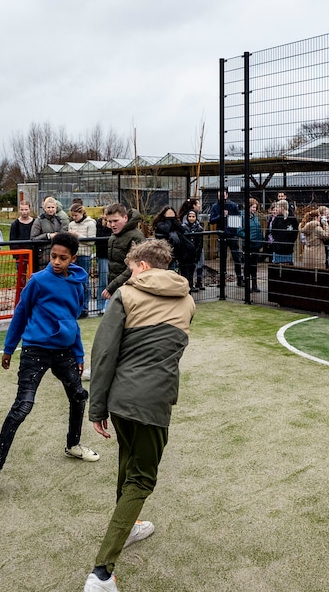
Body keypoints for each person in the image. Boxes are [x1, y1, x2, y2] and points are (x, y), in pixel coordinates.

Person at [84, 239, 195, 592]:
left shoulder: (126, 295)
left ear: (143, 266)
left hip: (121, 399)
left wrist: (97, 407)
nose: (128, 275)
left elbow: (104, 354)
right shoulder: (188, 300)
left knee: (131, 463)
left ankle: (127, 527)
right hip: (155, 400)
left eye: (130, 269)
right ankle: (102, 573)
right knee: (141, 478)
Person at [0, 232, 97, 507]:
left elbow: (72, 320)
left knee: (79, 395)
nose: (56, 261)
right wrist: (9, 348)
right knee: (22, 408)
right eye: (53, 256)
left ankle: (73, 444)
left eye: (63, 258)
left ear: (73, 259)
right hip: (35, 350)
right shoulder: (38, 281)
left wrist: (78, 353)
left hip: (65, 351)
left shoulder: (78, 283)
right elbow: (21, 312)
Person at [101, 203, 146, 301]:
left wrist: (112, 286)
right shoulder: (115, 235)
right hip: (117, 286)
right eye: (110, 221)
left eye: (116, 221)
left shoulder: (136, 237)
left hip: (130, 287)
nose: (112, 225)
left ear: (125, 218)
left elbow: (133, 267)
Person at [209, 191, 244, 284]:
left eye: (223, 195)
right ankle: (222, 280)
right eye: (219, 195)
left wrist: (229, 218)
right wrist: (221, 216)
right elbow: (211, 220)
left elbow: (239, 219)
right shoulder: (215, 207)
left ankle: (239, 278)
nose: (221, 197)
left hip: (232, 235)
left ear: (227, 195)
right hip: (221, 235)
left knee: (237, 257)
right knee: (222, 259)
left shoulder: (233, 205)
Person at [69, 204, 97, 313]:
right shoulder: (71, 224)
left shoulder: (90, 224)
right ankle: (75, 306)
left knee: (84, 282)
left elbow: (91, 241)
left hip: (84, 255)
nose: (74, 217)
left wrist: (77, 235)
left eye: (76, 215)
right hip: (73, 255)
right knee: (73, 281)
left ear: (81, 213)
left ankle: (84, 307)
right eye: (72, 215)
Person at [236, 199, 265, 292]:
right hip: (248, 245)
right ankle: (247, 285)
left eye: (255, 208)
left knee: (254, 266)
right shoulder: (242, 216)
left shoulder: (255, 217)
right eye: (253, 207)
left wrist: (261, 240)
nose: (254, 209)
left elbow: (258, 229)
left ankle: (255, 285)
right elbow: (239, 231)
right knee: (248, 265)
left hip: (256, 245)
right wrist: (248, 237)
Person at [32, 196, 66, 268]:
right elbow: (33, 238)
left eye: (53, 207)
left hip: (57, 253)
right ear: (44, 208)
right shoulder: (39, 220)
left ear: (56, 208)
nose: (51, 209)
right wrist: (47, 236)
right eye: (48, 207)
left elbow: (62, 233)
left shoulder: (59, 220)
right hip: (43, 254)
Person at [10, 201, 36, 292]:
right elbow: (12, 241)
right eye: (22, 209)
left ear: (30, 209)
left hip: (33, 253)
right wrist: (16, 255)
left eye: (26, 209)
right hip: (20, 255)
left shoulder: (35, 222)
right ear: (19, 210)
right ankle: (22, 294)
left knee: (35, 274)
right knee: (21, 276)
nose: (24, 212)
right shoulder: (15, 224)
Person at [152, 206, 183, 271]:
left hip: (175, 250)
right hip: (163, 249)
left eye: (172, 213)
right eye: (169, 213)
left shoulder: (176, 222)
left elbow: (182, 230)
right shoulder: (160, 223)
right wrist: (168, 219)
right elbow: (166, 229)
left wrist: (174, 220)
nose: (171, 215)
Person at [268, 199, 299, 265]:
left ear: (282, 207)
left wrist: (290, 243)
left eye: (278, 207)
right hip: (277, 249)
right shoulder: (277, 219)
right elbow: (273, 231)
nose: (277, 209)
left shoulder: (292, 219)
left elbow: (295, 233)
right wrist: (276, 242)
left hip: (288, 249)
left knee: (287, 266)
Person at [179, 210, 204, 291]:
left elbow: (200, 243)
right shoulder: (183, 227)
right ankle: (186, 286)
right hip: (185, 252)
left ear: (196, 217)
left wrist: (197, 253)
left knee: (192, 269)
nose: (191, 218)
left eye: (193, 216)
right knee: (185, 270)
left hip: (194, 252)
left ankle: (191, 285)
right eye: (190, 216)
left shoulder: (199, 228)